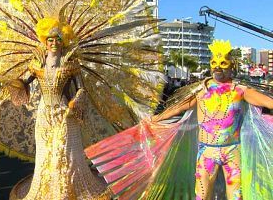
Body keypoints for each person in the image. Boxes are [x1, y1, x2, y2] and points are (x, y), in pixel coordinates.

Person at [0, 0, 165, 199]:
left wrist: (74, 103)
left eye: (57, 39)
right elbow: (23, 86)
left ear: (63, 41)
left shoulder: (71, 64)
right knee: (46, 151)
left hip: (65, 111)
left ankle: (70, 187)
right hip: (44, 112)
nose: (54, 43)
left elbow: (80, 89)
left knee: (66, 150)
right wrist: (8, 84)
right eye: (50, 40)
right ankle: (49, 187)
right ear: (44, 40)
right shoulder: (36, 64)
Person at [86, 40, 273, 200]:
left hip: (232, 151)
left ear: (231, 66)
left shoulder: (239, 91)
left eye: (223, 63)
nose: (217, 67)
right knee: (202, 194)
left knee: (235, 194)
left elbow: (268, 102)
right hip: (207, 152)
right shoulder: (201, 91)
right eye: (214, 62)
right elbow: (180, 107)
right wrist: (157, 118)